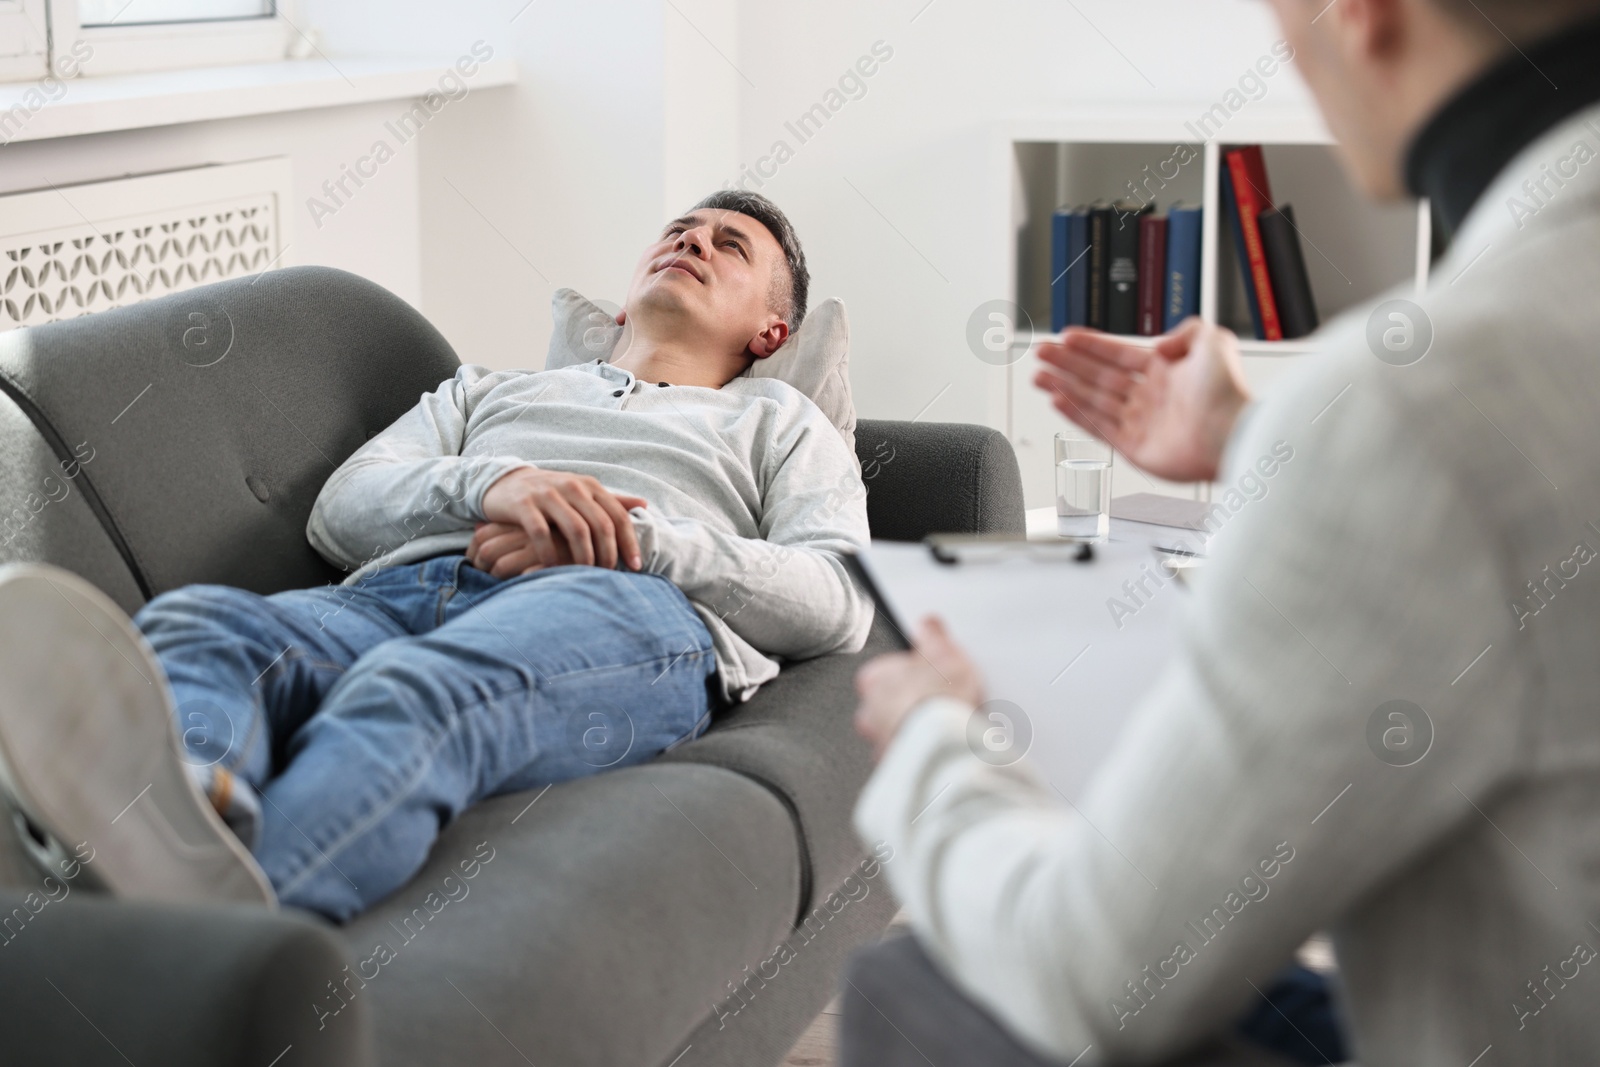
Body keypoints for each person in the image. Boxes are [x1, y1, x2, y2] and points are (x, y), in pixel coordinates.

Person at [847, 0, 1600, 1064]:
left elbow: (1096, 968)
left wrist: (932, 743)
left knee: (917, 976)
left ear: (1362, 15)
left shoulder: (1416, 399)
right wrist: (1264, 438)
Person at [0, 190, 872, 923]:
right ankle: (187, 807)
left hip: (619, 604)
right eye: (682, 229)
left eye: (730, 245)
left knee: (413, 694)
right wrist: (498, 486)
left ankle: (222, 945)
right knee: (199, 624)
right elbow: (344, 508)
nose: (693, 241)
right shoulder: (489, 391)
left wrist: (630, 538)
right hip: (398, 589)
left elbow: (838, 597)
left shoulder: (776, 423)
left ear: (770, 330)